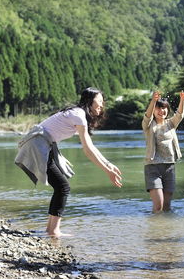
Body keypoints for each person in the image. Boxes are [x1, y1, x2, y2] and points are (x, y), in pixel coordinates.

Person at [15, 87, 122, 237]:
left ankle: (50, 229)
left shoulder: (78, 115)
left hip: (44, 143)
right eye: (99, 101)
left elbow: (90, 146)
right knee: (62, 186)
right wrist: (107, 171)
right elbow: (87, 149)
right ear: (89, 101)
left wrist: (108, 164)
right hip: (38, 144)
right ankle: (53, 231)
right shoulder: (78, 114)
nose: (101, 105)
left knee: (61, 186)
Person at [142, 90, 184, 213]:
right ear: (154, 110)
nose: (162, 111)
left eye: (164, 108)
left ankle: (166, 230)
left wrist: (182, 100)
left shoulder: (171, 124)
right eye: (158, 108)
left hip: (169, 167)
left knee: (167, 207)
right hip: (153, 167)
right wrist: (153, 101)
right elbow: (147, 115)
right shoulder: (148, 125)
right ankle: (155, 230)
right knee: (158, 206)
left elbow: (180, 115)